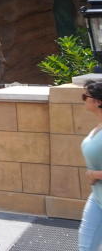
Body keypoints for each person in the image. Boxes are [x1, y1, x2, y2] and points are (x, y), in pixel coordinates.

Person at [81, 81, 102, 251]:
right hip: (97, 198)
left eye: (85, 97)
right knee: (86, 247)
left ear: (98, 101)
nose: (83, 100)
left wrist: (94, 175)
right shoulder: (98, 126)